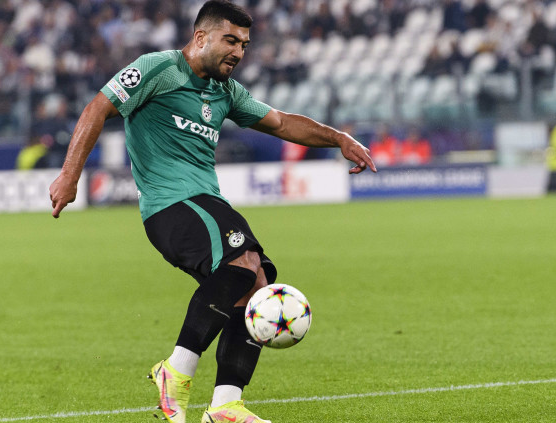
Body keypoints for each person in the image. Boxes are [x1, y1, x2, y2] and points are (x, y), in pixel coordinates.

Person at [48, 2, 376, 422]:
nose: (238, 52)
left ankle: (224, 405)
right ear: (201, 37)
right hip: (170, 205)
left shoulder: (226, 92)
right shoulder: (158, 68)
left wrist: (339, 138)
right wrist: (69, 175)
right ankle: (175, 371)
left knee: (256, 284)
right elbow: (98, 107)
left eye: (244, 45)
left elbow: (280, 123)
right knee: (243, 262)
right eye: (230, 41)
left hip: (204, 203)